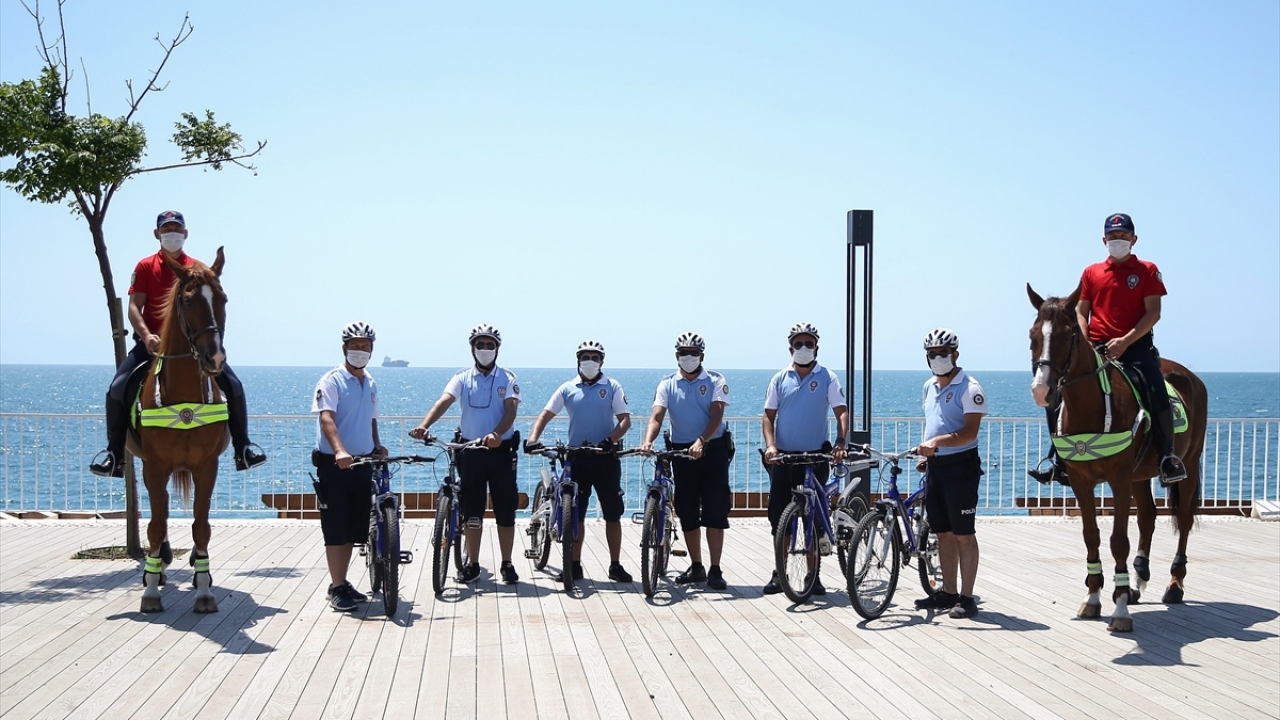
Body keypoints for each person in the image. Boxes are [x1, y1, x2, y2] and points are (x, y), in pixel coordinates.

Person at [89, 210, 266, 478]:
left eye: (176, 229)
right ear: (157, 233)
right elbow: (135, 307)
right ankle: (114, 454)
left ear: (185, 233)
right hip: (152, 344)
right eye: (166, 229)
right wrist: (147, 336)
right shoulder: (145, 266)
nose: (172, 233)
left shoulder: (199, 268)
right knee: (117, 387)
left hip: (194, 348)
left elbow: (209, 306)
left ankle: (243, 448)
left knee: (235, 386)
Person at [1030, 212, 1186, 485]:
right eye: (1113, 237)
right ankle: (1058, 459)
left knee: (1156, 392)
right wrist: (1089, 343)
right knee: (1057, 394)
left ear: (1134, 239)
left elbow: (1153, 313)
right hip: (1098, 348)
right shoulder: (1091, 273)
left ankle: (1166, 457)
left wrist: (1125, 341)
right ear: (1104, 240)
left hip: (1135, 349)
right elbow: (1081, 312)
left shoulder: (1147, 270)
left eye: (1123, 236)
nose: (1118, 240)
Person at [409, 324, 522, 585]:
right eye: (480, 345)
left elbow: (511, 411)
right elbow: (444, 401)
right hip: (471, 451)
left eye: (489, 345)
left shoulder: (508, 377)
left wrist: (496, 434)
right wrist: (425, 425)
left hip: (501, 450)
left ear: (497, 349)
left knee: (505, 510)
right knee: (472, 511)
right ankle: (473, 563)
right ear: (472, 348)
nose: (485, 349)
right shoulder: (462, 377)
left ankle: (507, 563)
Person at [526, 340, 634, 584]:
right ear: (577, 360)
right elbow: (545, 414)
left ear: (602, 362)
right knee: (575, 515)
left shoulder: (612, 386)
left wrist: (610, 440)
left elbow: (625, 420)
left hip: (605, 458)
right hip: (576, 459)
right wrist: (533, 438)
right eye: (585, 357)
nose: (589, 361)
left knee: (612, 515)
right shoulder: (567, 388)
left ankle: (615, 565)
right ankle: (573, 565)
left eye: (594, 357)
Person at [760, 322, 849, 596]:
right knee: (780, 518)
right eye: (798, 344)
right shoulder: (779, 379)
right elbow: (768, 416)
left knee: (814, 515)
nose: (803, 348)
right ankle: (780, 573)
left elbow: (842, 412)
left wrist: (840, 442)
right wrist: (771, 446)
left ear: (816, 347)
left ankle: (814, 574)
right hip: (784, 459)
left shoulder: (828, 378)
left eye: (808, 344)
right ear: (790, 348)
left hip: (816, 456)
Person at [639, 332, 732, 590]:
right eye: (683, 353)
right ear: (676, 355)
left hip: (712, 449)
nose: (687, 357)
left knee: (714, 511)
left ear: (701, 355)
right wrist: (648, 440)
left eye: (692, 353)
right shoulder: (667, 383)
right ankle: (697, 566)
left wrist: (702, 440)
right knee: (687, 510)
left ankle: (715, 569)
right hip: (682, 451)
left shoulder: (715, 379)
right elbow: (657, 417)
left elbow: (716, 415)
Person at [913, 328, 987, 619]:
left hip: (961, 467)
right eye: (932, 354)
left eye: (943, 353)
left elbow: (969, 432)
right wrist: (928, 454)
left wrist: (937, 443)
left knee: (964, 534)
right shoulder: (928, 386)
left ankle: (968, 598)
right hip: (937, 468)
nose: (938, 358)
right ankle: (948, 592)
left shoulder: (970, 387)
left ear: (955, 354)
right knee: (943, 533)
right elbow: (935, 424)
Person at [311, 321, 386, 611]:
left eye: (365, 347)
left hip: (363, 462)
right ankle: (336, 586)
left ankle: (341, 583)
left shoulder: (370, 382)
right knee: (336, 527)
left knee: (355, 527)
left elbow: (371, 418)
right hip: (335, 464)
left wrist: (377, 444)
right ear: (345, 348)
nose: (360, 351)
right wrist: (340, 450)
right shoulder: (331, 381)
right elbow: (326, 418)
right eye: (355, 346)